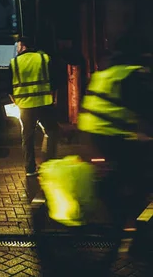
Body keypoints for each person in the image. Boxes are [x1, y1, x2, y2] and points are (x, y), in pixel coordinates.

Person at [77, 32, 153, 262]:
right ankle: (131, 231)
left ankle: (119, 216)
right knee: (141, 180)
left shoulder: (107, 70)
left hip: (91, 133)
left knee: (123, 179)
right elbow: (145, 108)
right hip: (112, 137)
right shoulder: (133, 74)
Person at [9, 35, 59, 177]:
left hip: (25, 106)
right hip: (44, 103)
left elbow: (8, 86)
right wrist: (53, 97)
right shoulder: (44, 59)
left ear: (23, 46)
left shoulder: (14, 63)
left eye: (18, 46)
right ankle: (48, 164)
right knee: (52, 131)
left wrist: (15, 100)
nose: (17, 49)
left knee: (27, 137)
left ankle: (30, 168)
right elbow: (54, 80)